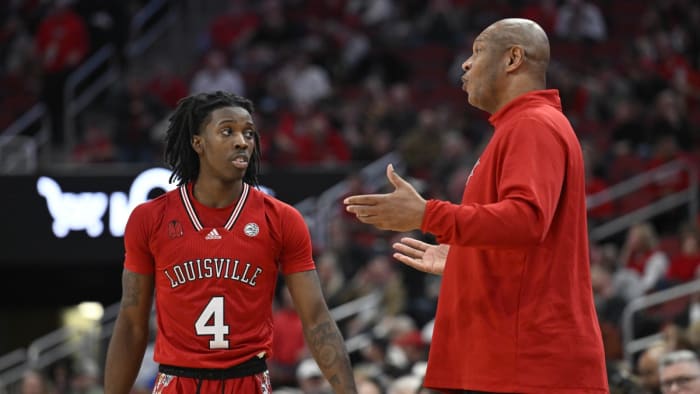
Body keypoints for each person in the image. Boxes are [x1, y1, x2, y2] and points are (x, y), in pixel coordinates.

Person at [344, 18, 608, 392]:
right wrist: (467, 260)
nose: (465, 64)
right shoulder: (522, 126)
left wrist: (427, 214)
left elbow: (527, 220)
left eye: (478, 51)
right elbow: (525, 239)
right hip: (512, 360)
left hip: (527, 365)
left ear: (513, 58)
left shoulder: (533, 124)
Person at [104, 91, 357, 394]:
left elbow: (317, 319)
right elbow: (132, 323)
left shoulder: (281, 219)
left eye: (248, 133)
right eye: (227, 131)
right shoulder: (149, 218)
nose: (242, 141)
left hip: (248, 380)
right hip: (178, 381)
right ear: (198, 142)